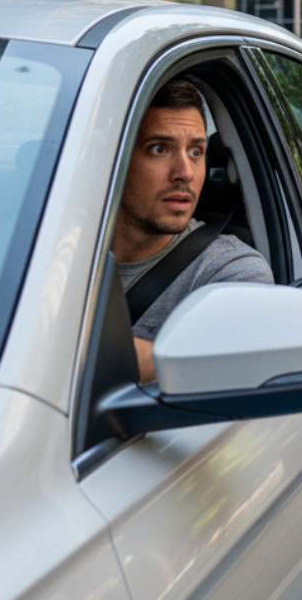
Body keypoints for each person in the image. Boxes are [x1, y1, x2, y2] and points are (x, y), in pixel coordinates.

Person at [111, 79, 274, 382]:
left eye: (196, 151)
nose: (184, 173)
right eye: (159, 149)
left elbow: (227, 373)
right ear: (111, 161)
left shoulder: (230, 270)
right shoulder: (48, 253)